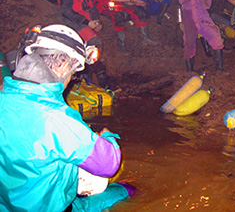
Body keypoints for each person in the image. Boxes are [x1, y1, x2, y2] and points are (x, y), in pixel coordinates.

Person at [0, 24, 134, 211]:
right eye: (72, 74)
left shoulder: (4, 100)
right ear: (63, 66)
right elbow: (108, 164)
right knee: (125, 190)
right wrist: (106, 137)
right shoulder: (56, 118)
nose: (70, 80)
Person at [57, 0, 111, 89]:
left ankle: (93, 80)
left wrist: (97, 22)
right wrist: (87, 22)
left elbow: (91, 8)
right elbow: (66, 11)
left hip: (86, 25)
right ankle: (94, 80)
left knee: (95, 51)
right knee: (95, 46)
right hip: (75, 24)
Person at [177, 0, 224, 72]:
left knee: (216, 37)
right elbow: (181, 0)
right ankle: (190, 72)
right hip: (188, 16)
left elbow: (207, 5)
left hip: (202, 16)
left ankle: (220, 69)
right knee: (189, 44)